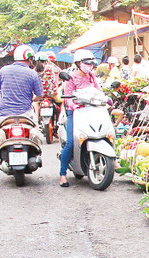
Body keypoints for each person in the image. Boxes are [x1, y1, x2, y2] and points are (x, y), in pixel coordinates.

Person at [0, 45, 43, 184]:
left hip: (4, 116)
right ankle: (36, 155)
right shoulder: (33, 74)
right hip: (25, 115)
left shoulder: (4, 71)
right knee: (36, 135)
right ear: (29, 58)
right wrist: (32, 99)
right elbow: (39, 96)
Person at [58, 49, 100, 188]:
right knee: (71, 142)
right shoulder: (71, 78)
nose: (90, 66)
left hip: (91, 111)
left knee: (107, 133)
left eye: (91, 64)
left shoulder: (92, 76)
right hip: (75, 113)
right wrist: (74, 106)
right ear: (78, 63)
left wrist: (106, 99)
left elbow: (99, 91)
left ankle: (115, 161)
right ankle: (62, 174)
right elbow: (67, 98)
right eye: (87, 63)